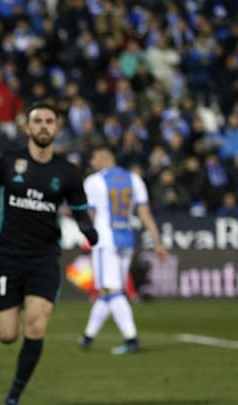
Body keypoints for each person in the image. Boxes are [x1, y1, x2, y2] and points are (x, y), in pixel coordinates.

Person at [0, 102, 98, 405]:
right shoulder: (7, 162)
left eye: (50, 121)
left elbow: (79, 210)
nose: (44, 126)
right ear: (27, 128)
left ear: (57, 128)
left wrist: (88, 229)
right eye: (38, 121)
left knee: (35, 325)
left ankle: (14, 395)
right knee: (7, 335)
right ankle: (15, 312)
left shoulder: (68, 172)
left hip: (45, 259)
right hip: (9, 258)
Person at [79, 146, 168, 354]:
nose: (91, 163)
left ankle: (131, 339)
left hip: (104, 240)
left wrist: (87, 237)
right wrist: (158, 242)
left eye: (93, 158)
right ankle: (87, 336)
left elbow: (90, 214)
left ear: (102, 158)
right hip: (126, 238)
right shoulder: (134, 179)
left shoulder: (94, 181)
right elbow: (145, 214)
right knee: (106, 290)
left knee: (112, 290)